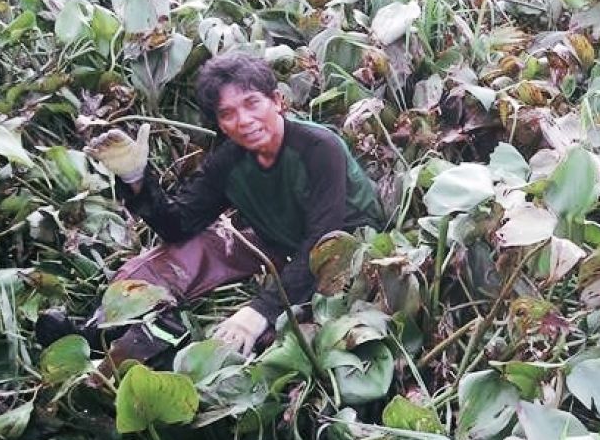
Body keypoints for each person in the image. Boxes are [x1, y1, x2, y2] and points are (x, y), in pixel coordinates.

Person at [38, 53, 384, 366]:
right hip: (277, 240)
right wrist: (137, 178)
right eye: (228, 114)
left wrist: (260, 310)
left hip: (346, 248)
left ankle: (173, 352)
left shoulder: (319, 148)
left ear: (278, 101)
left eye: (252, 104)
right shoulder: (228, 162)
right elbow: (179, 225)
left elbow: (325, 242)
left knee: (288, 324)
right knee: (189, 250)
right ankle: (100, 326)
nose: (244, 120)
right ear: (219, 123)